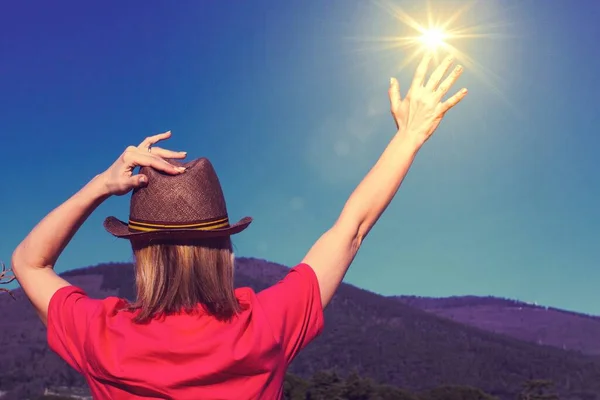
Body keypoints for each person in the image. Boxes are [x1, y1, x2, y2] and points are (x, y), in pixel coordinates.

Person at [11, 52, 467, 399]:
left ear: (141, 254)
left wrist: (101, 185)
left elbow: (29, 264)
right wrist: (409, 136)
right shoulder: (264, 326)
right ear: (225, 251)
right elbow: (351, 229)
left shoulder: (103, 335)